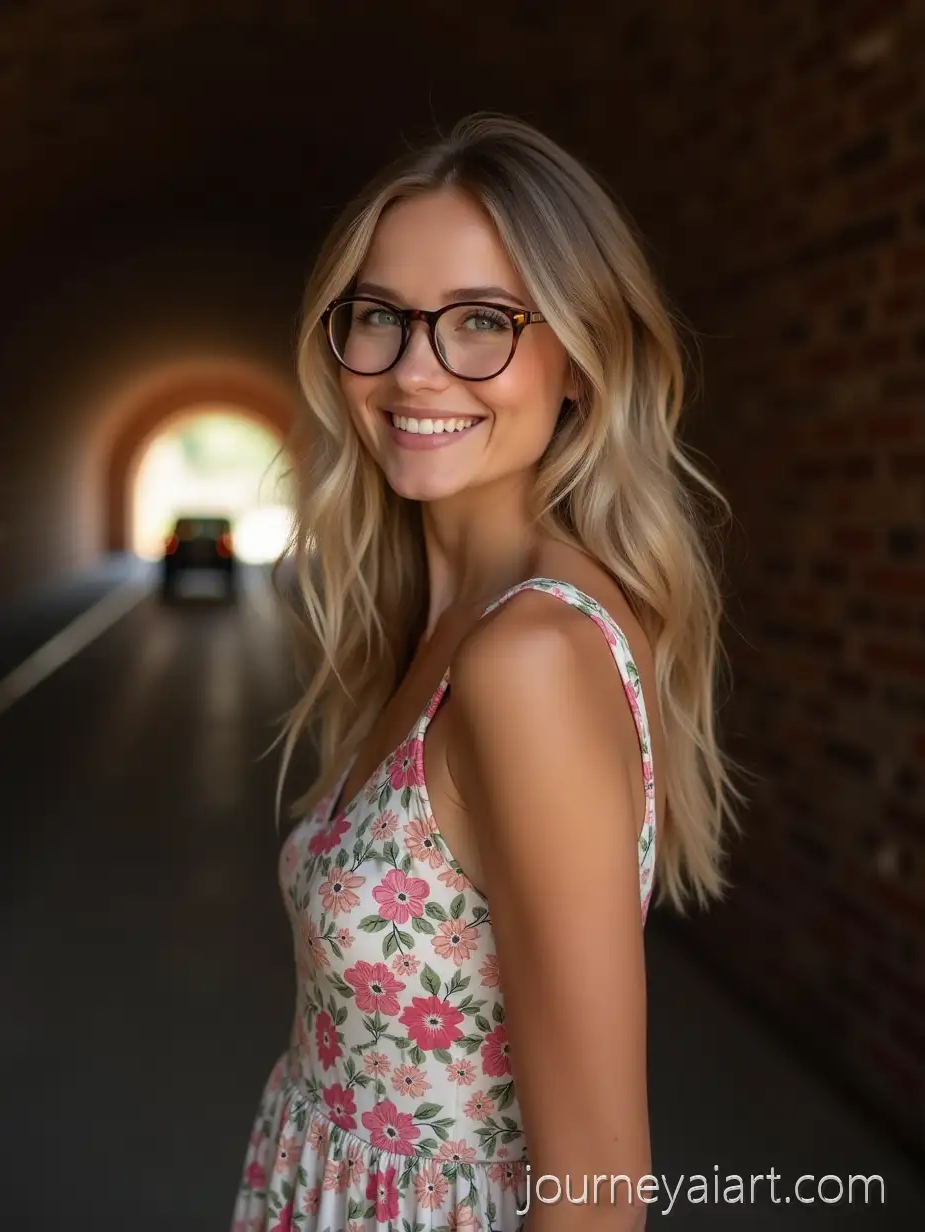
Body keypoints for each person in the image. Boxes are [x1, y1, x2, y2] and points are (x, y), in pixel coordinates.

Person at [231, 112, 744, 1232]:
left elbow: (600, 1186)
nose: (414, 368)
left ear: (578, 357)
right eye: (378, 316)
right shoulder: (446, 615)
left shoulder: (528, 658)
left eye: (479, 322)